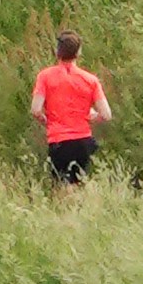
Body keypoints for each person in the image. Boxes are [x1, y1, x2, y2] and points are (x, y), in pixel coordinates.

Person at [32, 31, 109, 186]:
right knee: (78, 183)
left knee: (61, 185)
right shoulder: (90, 80)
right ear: (78, 52)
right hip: (83, 140)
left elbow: (36, 109)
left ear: (57, 51)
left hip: (59, 139)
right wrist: (89, 116)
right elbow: (106, 114)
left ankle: (63, 209)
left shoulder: (45, 76)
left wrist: (45, 120)